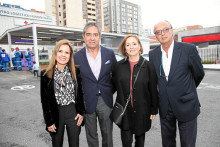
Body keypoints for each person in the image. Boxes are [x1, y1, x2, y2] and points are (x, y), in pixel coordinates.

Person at [149, 20, 205, 147]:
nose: (162, 34)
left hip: (187, 104)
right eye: (158, 32)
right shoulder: (153, 54)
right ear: (155, 36)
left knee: (188, 143)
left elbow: (199, 73)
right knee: (167, 143)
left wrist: (186, 88)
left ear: (172, 30)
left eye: (166, 29)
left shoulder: (188, 49)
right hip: (165, 105)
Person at [74, 22, 117, 147]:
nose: (92, 38)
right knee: (91, 136)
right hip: (87, 102)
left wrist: (108, 91)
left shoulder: (109, 53)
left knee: (107, 135)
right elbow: (75, 82)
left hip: (105, 100)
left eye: (95, 35)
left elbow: (115, 77)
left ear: (100, 36)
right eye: (88, 35)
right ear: (83, 36)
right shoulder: (76, 57)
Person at [112, 34, 158, 147]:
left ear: (139, 46)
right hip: (124, 111)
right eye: (128, 45)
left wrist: (153, 109)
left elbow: (153, 89)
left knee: (140, 142)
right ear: (125, 49)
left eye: (134, 44)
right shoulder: (118, 66)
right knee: (126, 142)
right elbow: (112, 86)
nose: (131, 47)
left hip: (142, 110)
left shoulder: (148, 66)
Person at [40, 39, 85, 147]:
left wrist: (81, 112)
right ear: (55, 53)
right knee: (57, 144)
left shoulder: (75, 72)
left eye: (67, 52)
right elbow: (44, 101)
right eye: (60, 51)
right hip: (56, 113)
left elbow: (80, 94)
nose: (63, 55)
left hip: (72, 113)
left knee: (74, 144)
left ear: (70, 56)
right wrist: (49, 121)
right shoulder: (46, 74)